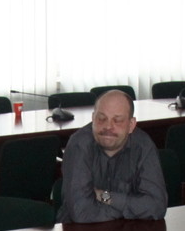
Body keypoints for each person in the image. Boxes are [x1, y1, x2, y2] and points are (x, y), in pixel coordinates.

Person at [57, 89, 167, 223]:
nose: (108, 126)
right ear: (93, 118)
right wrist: (131, 210)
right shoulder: (79, 145)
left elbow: (156, 206)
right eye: (101, 118)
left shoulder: (143, 146)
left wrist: (105, 196)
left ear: (131, 125)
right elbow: (81, 212)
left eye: (117, 120)